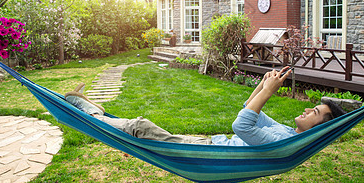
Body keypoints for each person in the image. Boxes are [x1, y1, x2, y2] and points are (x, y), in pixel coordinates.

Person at [65, 67, 346, 146]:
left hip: (206, 150)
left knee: (139, 127)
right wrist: (262, 86)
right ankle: (96, 113)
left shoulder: (283, 144)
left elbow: (243, 125)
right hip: (208, 143)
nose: (309, 110)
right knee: (137, 129)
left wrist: (269, 94)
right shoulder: (287, 133)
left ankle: (90, 113)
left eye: (316, 113)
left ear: (320, 129)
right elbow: (250, 109)